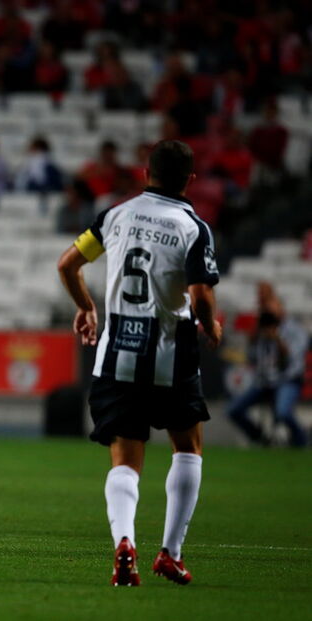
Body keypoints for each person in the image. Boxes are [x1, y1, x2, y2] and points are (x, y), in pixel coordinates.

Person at [57, 140, 222, 586]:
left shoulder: (116, 214)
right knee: (188, 449)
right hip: (172, 354)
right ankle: (170, 552)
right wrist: (211, 325)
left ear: (145, 171)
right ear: (190, 180)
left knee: (124, 459)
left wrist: (87, 307)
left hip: (117, 357)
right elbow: (201, 296)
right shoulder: (193, 227)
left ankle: (124, 544)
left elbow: (68, 265)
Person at [227, 283, 308, 447]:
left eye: (272, 309)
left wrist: (277, 338)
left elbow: (293, 360)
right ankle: (260, 438)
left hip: (287, 380)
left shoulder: (294, 329)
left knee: (283, 413)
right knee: (233, 410)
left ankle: (301, 442)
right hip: (264, 382)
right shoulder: (260, 330)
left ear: (281, 309)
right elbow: (251, 359)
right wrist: (254, 337)